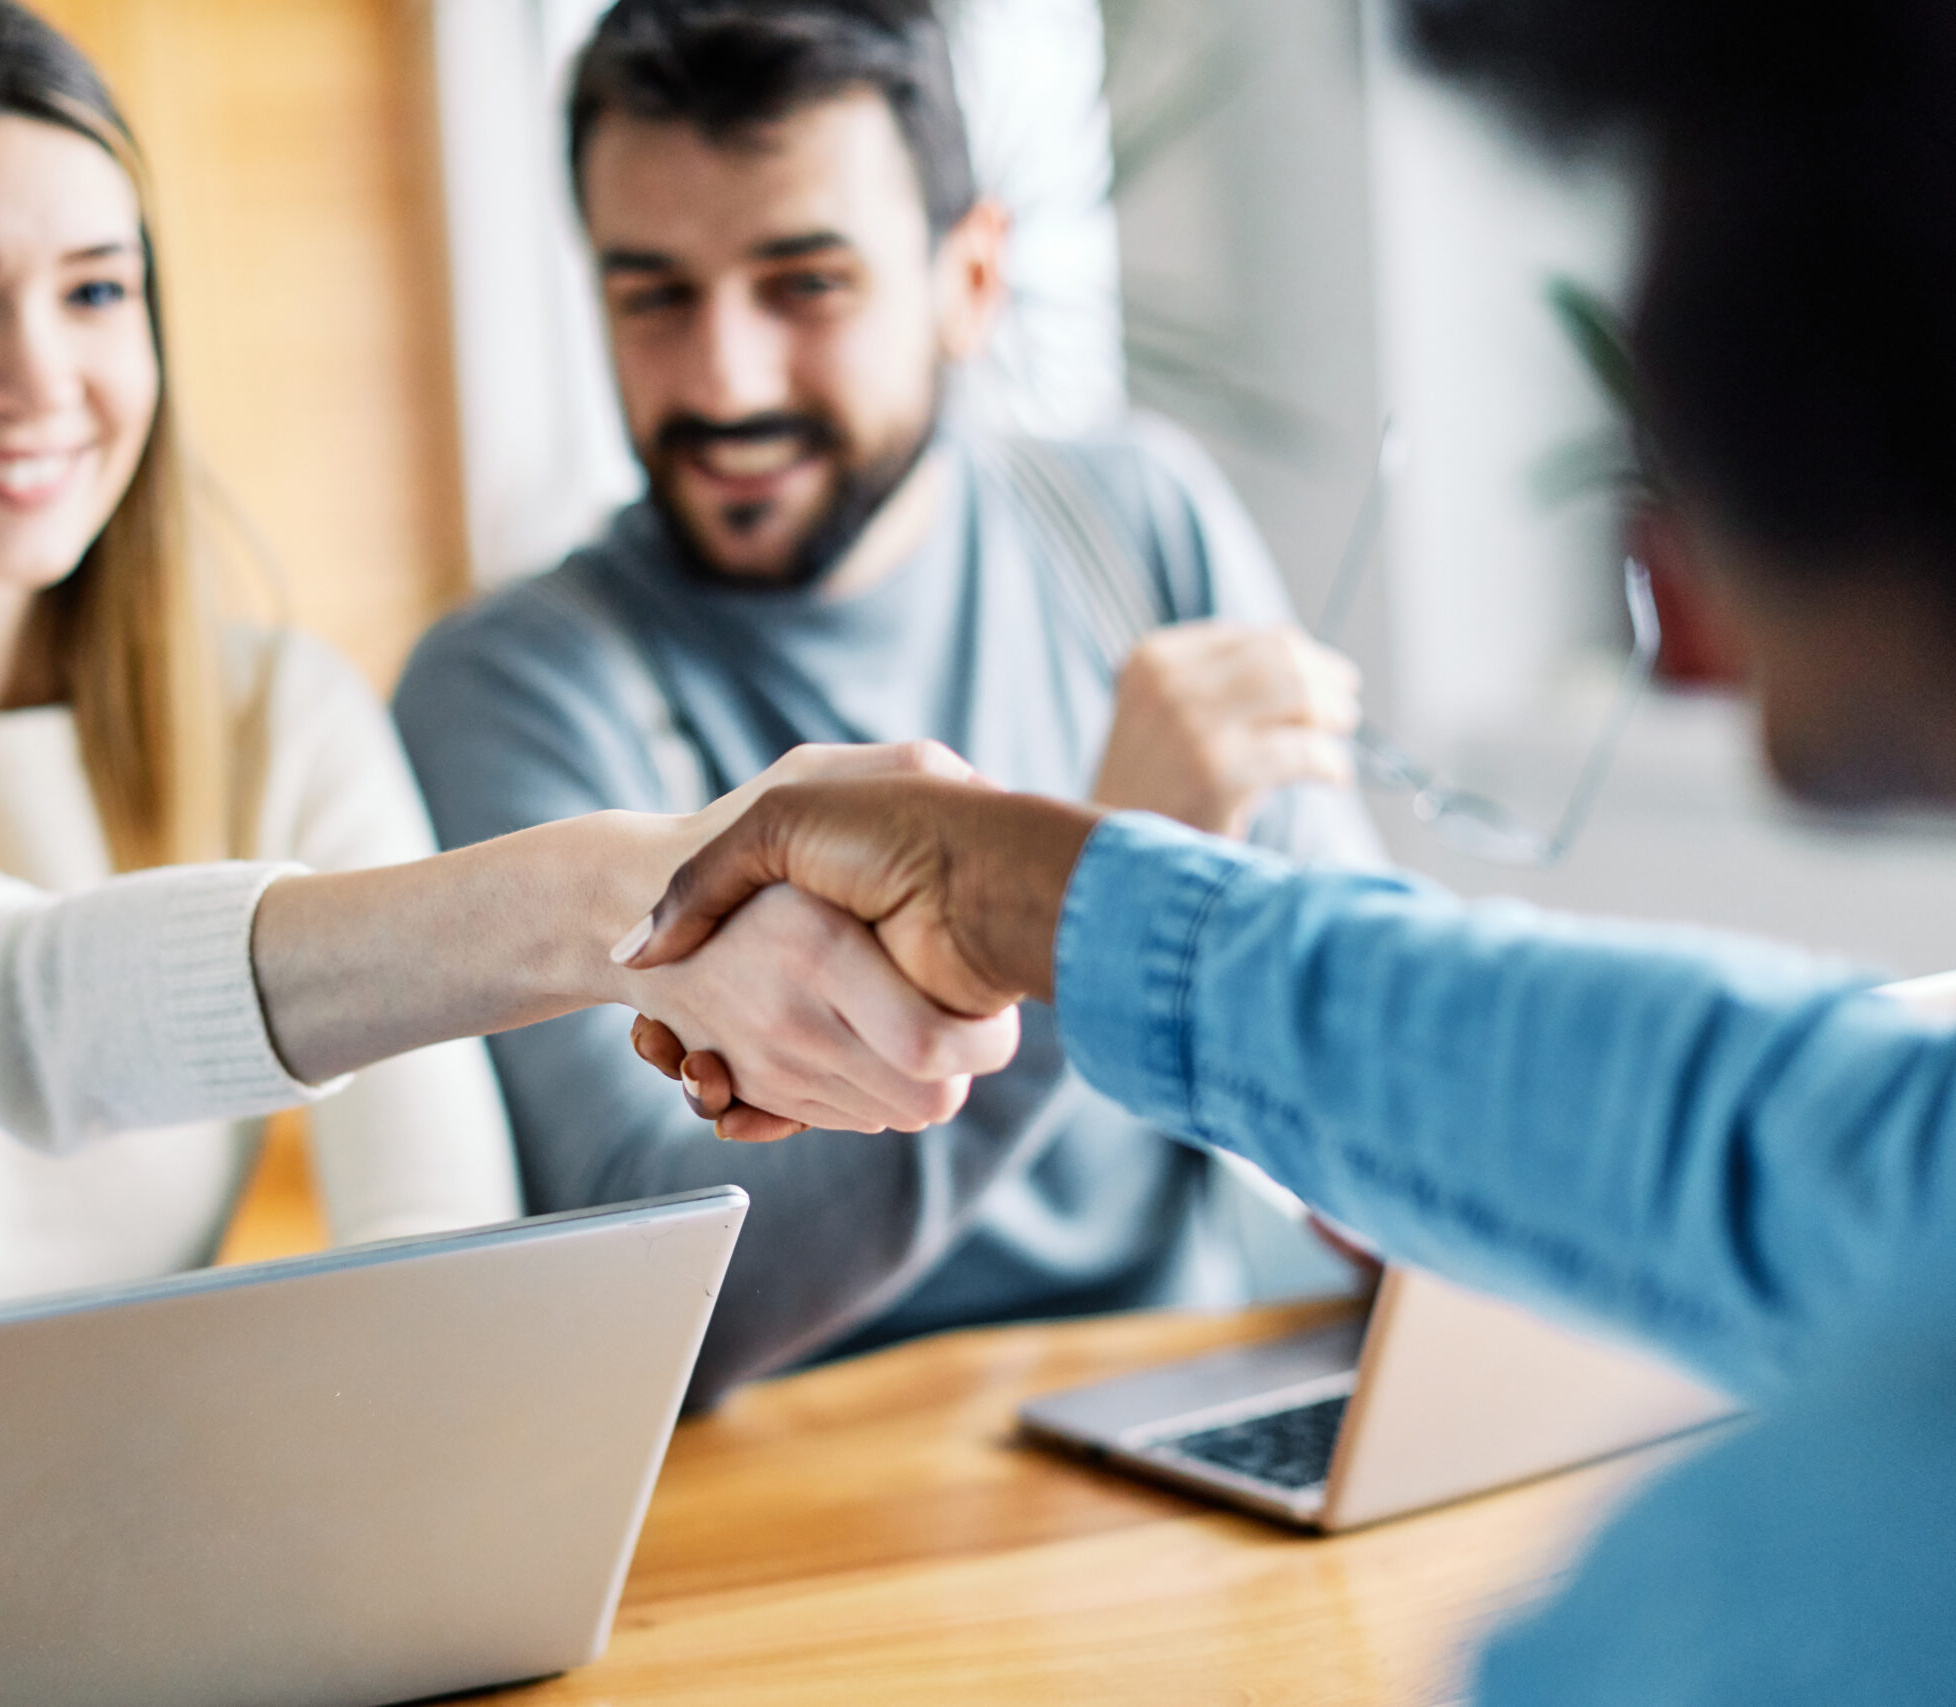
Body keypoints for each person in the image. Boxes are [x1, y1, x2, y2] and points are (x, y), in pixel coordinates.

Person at [620, 0, 1956, 1696]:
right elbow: (1788, 1139)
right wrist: (1055, 896)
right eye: (650, 289)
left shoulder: (1742, 1620)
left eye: (1670, 213)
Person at [0, 0, 1014, 1359]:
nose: (39, 380)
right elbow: (9, 1012)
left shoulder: (273, 714)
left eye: (95, 290)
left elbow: (443, 1270)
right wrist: (624, 897)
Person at [394, 0, 1378, 1406]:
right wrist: (1077, 911)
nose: (725, 379)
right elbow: (642, 1301)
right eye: (654, 294)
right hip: (786, 1494)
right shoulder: (517, 688)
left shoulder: (1132, 531)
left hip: (1162, 1427)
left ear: (969, 278)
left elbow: (1332, 1024)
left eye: (806, 284)